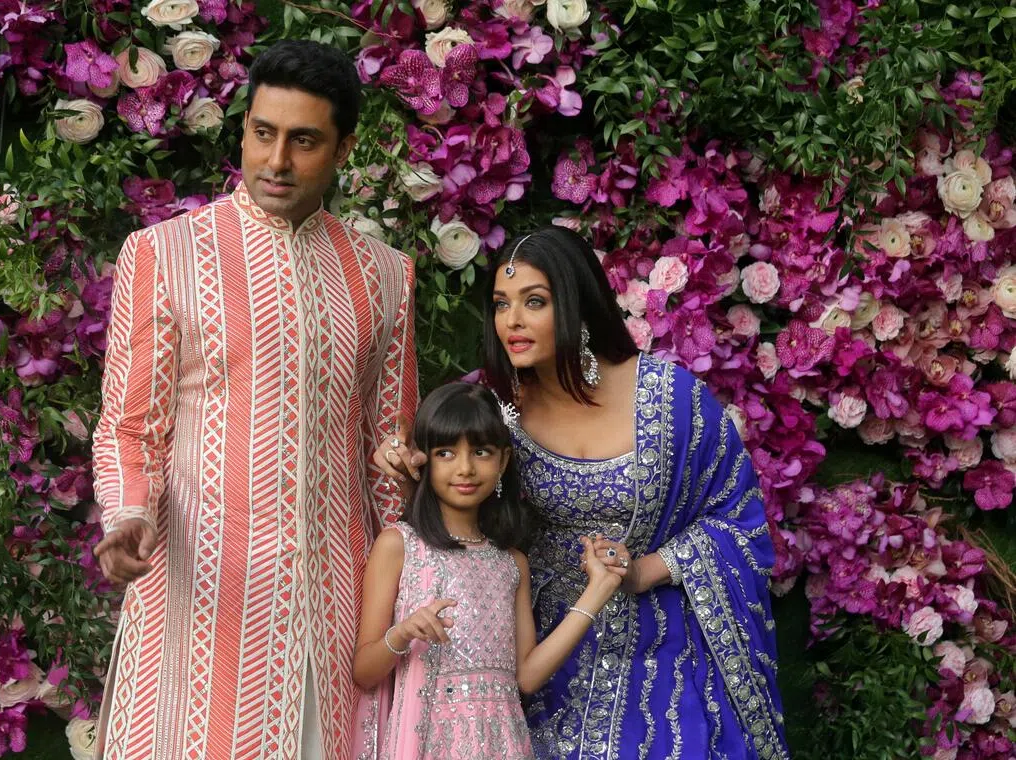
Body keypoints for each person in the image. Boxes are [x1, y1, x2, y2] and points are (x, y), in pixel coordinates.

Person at [91, 40, 418, 760]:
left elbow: (389, 448)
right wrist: (129, 515)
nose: (276, 161)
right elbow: (130, 426)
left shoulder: (386, 275)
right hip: (203, 602)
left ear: (343, 148)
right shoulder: (162, 255)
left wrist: (407, 584)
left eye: (303, 142)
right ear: (242, 130)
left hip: (337, 607)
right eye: (263, 134)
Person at [377, 226, 789, 760]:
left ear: (574, 304)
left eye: (535, 302)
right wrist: (410, 469)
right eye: (502, 304)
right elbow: (452, 480)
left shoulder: (671, 399)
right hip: (540, 636)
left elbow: (738, 517)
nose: (513, 322)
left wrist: (643, 570)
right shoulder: (493, 403)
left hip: (658, 636)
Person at [352, 383, 622, 759]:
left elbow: (527, 677)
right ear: (423, 460)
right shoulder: (400, 545)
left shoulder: (511, 562)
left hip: (503, 743)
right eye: (446, 452)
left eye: (481, 452)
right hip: (429, 741)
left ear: (504, 461)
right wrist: (402, 633)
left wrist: (597, 590)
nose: (465, 468)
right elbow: (364, 671)